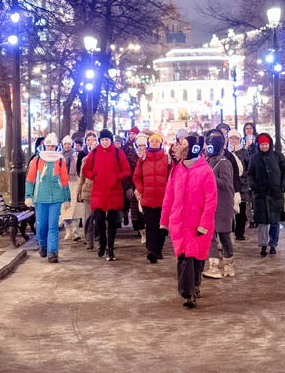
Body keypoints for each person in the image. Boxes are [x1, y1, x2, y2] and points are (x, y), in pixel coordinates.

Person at [161, 134, 217, 309]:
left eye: (185, 144)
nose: (181, 147)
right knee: (185, 257)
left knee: (197, 258)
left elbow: (211, 201)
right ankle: (188, 292)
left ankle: (195, 286)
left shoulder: (206, 171)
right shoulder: (176, 170)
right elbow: (168, 197)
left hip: (197, 224)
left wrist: (204, 224)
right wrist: (163, 222)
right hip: (179, 223)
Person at [81, 128, 131, 260]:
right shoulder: (94, 152)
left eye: (107, 140)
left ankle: (110, 248)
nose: (105, 142)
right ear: (99, 140)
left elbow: (127, 170)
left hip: (114, 191)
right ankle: (102, 242)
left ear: (111, 140)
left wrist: (117, 178)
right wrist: (94, 176)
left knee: (113, 222)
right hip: (98, 191)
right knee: (99, 220)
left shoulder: (118, 152)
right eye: (102, 140)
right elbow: (86, 170)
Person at [25, 133, 72, 263]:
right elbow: (30, 179)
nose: (51, 148)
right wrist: (28, 196)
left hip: (56, 198)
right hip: (40, 198)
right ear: (45, 146)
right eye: (49, 146)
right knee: (40, 226)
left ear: (56, 147)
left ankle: (53, 252)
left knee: (53, 225)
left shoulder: (60, 160)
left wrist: (67, 198)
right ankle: (43, 245)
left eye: (53, 146)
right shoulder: (37, 159)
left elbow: (64, 181)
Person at [248, 132, 285, 256]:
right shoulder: (254, 158)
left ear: (269, 144)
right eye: (261, 144)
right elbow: (250, 174)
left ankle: (273, 244)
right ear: (258, 145)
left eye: (266, 144)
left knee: (275, 221)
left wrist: (283, 184)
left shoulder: (278, 156)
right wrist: (255, 185)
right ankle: (263, 245)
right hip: (261, 194)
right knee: (262, 221)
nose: (264, 147)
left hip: (276, 193)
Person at [202, 129, 237, 279]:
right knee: (210, 236)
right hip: (210, 206)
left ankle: (229, 266)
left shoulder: (225, 163)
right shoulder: (208, 162)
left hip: (222, 205)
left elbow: (225, 184)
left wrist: (209, 175)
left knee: (225, 237)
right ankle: (214, 267)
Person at [133, 132, 170, 263]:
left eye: (157, 141)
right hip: (147, 198)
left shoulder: (167, 159)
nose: (154, 143)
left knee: (161, 225)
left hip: (163, 199)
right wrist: (141, 189)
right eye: (152, 141)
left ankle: (158, 250)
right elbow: (136, 177)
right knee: (150, 225)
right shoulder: (143, 160)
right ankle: (151, 250)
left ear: (161, 144)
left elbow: (173, 178)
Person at [76, 131, 98, 250]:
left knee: (99, 217)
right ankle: (89, 240)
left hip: (100, 192)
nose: (93, 145)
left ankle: (99, 238)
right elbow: (82, 177)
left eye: (95, 143)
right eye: (91, 143)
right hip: (88, 191)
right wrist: (79, 192)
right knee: (89, 217)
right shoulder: (85, 159)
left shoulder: (103, 158)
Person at [227, 130, 250, 241]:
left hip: (242, 184)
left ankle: (240, 232)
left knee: (241, 209)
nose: (234, 140)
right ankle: (230, 229)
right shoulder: (226, 152)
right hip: (229, 184)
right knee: (229, 209)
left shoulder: (244, 152)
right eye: (232, 138)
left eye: (236, 138)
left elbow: (249, 167)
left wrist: (244, 176)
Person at [60, 135, 83, 242]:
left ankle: (75, 232)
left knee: (75, 208)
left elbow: (79, 169)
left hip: (74, 183)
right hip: (63, 184)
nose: (67, 146)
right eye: (65, 144)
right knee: (65, 208)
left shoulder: (75, 155)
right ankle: (68, 230)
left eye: (69, 144)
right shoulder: (59, 156)